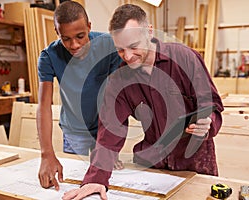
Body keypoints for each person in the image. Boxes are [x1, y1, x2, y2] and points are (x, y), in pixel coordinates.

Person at [62, 4, 224, 200]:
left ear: (149, 31)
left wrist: (209, 124)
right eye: (120, 50)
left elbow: (213, 106)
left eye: (133, 46)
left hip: (195, 164)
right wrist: (96, 179)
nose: (128, 56)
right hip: (155, 169)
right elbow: (109, 133)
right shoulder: (119, 81)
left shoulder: (185, 58)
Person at [36, 1, 122, 191]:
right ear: (57, 32)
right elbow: (44, 105)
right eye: (66, 38)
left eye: (80, 36)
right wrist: (46, 154)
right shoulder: (48, 56)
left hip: (104, 128)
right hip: (74, 131)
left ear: (89, 26)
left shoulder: (108, 46)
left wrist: (109, 143)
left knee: (111, 183)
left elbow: (118, 97)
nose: (74, 45)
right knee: (73, 184)